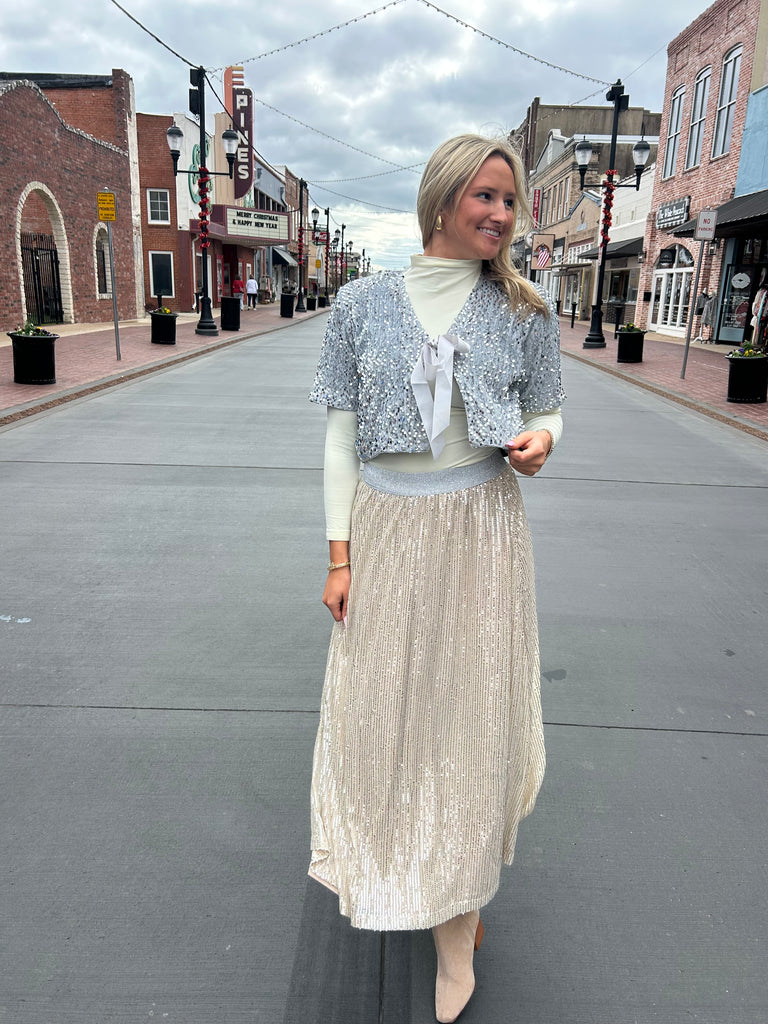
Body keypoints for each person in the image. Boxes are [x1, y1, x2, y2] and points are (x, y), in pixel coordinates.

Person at [308, 133, 564, 1023]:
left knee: (465, 723)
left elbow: (547, 407)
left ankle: (457, 922)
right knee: (384, 716)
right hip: (386, 528)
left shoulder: (525, 309)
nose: (500, 214)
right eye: (486, 195)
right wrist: (339, 557)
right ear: (443, 197)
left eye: (511, 200)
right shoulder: (360, 305)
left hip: (481, 530)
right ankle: (399, 867)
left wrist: (541, 440)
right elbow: (340, 438)